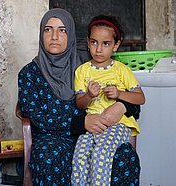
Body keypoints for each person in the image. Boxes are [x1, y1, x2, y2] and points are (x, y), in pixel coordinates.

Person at [17, 8, 141, 186]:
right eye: (48, 29)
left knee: (125, 156)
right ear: (41, 34)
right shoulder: (29, 74)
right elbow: (35, 115)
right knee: (49, 156)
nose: (54, 36)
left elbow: (134, 100)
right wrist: (80, 123)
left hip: (97, 133)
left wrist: (121, 106)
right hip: (53, 138)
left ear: (72, 34)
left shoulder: (88, 66)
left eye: (62, 30)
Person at [71, 15, 145, 185]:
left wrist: (119, 94)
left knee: (100, 154)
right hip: (92, 125)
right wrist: (89, 95)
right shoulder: (82, 71)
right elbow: (80, 103)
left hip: (118, 124)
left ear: (115, 45)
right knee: (80, 158)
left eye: (106, 44)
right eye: (94, 42)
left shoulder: (121, 70)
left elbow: (140, 98)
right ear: (88, 42)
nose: (98, 49)